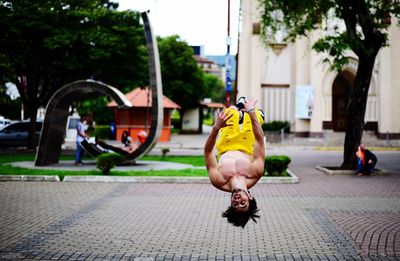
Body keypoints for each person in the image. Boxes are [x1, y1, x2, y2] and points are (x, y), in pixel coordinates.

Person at [204, 97, 265, 228]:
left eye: (235, 204)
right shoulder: (255, 174)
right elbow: (260, 141)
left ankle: (238, 109)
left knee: (230, 112)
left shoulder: (218, 180)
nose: (238, 201)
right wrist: (251, 111)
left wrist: (216, 128)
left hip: (226, 144)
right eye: (243, 203)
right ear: (250, 197)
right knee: (256, 117)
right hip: (246, 143)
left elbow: (208, 152)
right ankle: (250, 113)